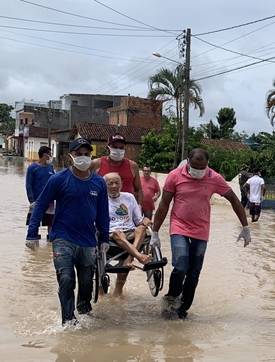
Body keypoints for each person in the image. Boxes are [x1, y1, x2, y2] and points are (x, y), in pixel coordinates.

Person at [150, 148, 250, 320]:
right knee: (181, 266)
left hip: (201, 230)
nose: (198, 170)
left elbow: (234, 200)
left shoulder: (214, 178)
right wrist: (155, 232)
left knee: (194, 271)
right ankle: (172, 298)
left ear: (207, 165)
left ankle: (182, 310)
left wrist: (245, 226)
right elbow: (164, 204)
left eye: (202, 167)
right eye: (194, 166)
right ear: (187, 162)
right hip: (179, 226)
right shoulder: (175, 176)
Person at [26, 138, 109, 327]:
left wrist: (104, 237)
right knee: (66, 278)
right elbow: (40, 204)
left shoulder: (99, 183)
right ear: (71, 157)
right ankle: (68, 321)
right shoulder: (58, 179)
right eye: (79, 154)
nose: (83, 158)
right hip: (63, 237)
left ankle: (84, 311)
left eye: (87, 154)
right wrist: (32, 233)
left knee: (87, 281)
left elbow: (103, 212)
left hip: (88, 239)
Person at [104, 173, 153, 296]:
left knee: (142, 228)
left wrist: (145, 220)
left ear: (121, 184)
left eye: (116, 183)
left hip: (130, 233)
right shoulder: (101, 199)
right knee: (117, 233)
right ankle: (137, 256)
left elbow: (138, 220)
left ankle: (129, 259)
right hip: (112, 234)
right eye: (110, 183)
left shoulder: (129, 197)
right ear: (105, 186)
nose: (114, 186)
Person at [92, 133, 143, 207]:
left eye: (121, 148)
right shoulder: (96, 164)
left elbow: (138, 190)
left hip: (125, 211)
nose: (118, 150)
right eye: (115, 147)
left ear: (125, 149)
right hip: (102, 208)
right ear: (107, 148)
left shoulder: (132, 166)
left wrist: (138, 206)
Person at [25, 145, 56, 236]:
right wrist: (31, 200)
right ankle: (34, 238)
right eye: (50, 154)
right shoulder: (32, 168)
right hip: (36, 200)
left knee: (50, 222)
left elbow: (55, 182)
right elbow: (28, 184)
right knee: (34, 222)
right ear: (44, 155)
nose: (51, 157)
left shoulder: (50, 168)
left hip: (49, 201)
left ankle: (50, 239)